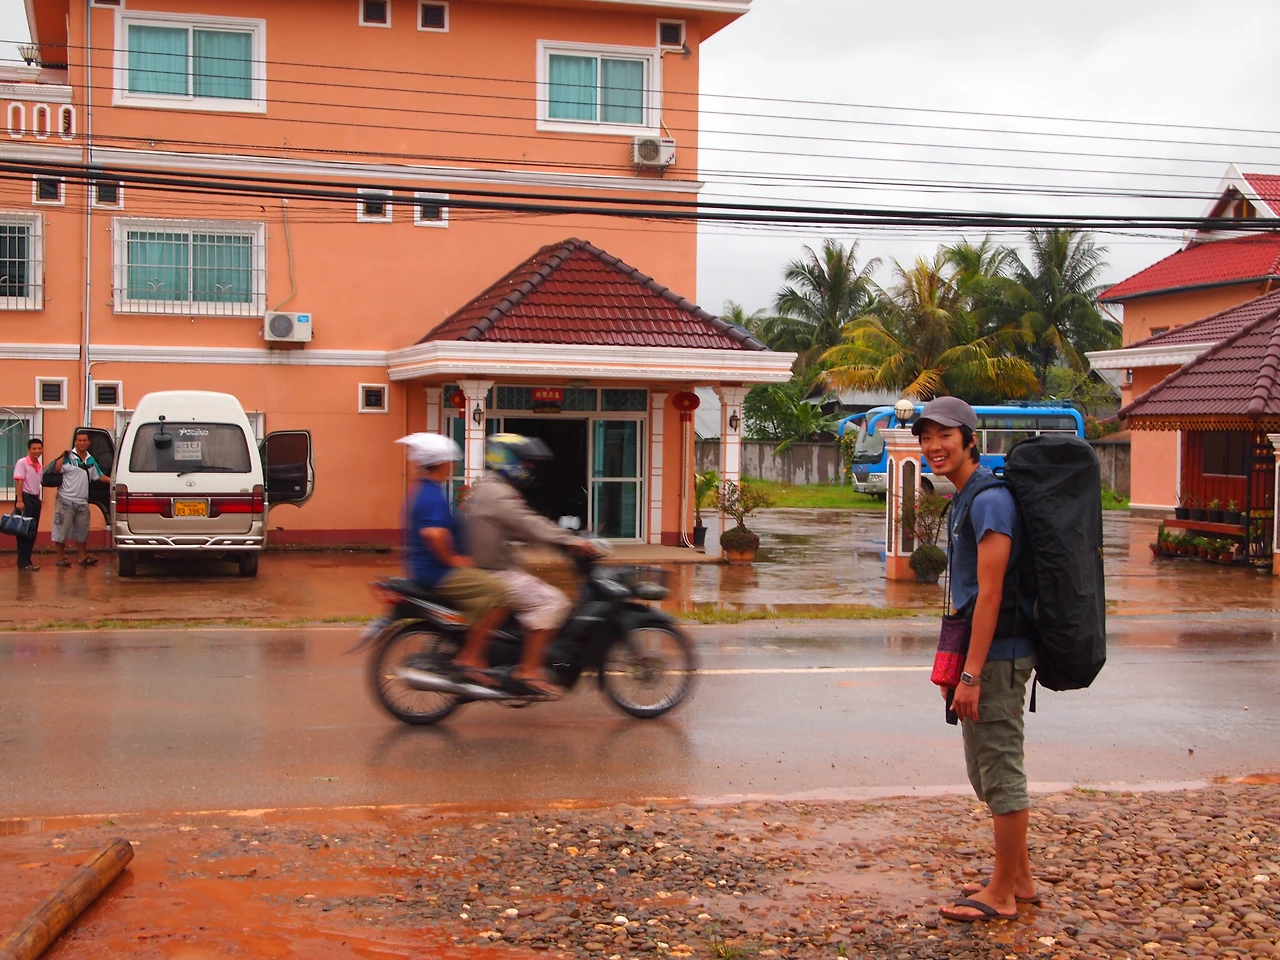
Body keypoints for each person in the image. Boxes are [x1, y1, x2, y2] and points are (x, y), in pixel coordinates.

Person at [913, 396, 1038, 923]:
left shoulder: (989, 502)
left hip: (999, 657)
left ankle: (1002, 895)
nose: (933, 446)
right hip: (982, 653)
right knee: (983, 772)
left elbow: (990, 594)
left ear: (969, 439)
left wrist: (971, 674)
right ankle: (1019, 879)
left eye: (944, 435)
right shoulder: (966, 497)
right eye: (926, 437)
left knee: (1001, 772)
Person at [465, 433, 602, 698]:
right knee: (554, 602)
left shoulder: (485, 487)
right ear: (506, 459)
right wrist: (570, 540)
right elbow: (529, 524)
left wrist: (555, 539)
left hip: (487, 568)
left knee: (533, 585)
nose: (529, 467)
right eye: (524, 462)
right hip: (495, 573)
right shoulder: (498, 494)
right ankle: (528, 671)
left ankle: (516, 654)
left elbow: (516, 526)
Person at [398, 433, 510, 687]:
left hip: (424, 568)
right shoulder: (432, 494)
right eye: (450, 461)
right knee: (499, 593)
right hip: (438, 571)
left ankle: (468, 642)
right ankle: (470, 658)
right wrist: (453, 559)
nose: (452, 466)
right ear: (441, 464)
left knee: (483, 593)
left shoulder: (422, 490)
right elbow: (433, 534)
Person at [51, 431, 110, 568]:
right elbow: (56, 470)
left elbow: (99, 475)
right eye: (79, 440)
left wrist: (115, 481)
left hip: (82, 501)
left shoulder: (90, 460)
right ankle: (60, 557)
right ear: (75, 442)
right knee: (61, 529)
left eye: (84, 440)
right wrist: (62, 455)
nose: (82, 443)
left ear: (89, 443)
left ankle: (82, 556)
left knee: (82, 530)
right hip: (65, 500)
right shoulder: (68, 457)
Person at [13, 437, 43, 571]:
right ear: (29, 450)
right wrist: (20, 500)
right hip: (25, 499)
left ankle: (28, 561)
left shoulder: (39, 465)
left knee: (32, 531)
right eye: (34, 449)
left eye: (39, 448)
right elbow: (19, 482)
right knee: (23, 532)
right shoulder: (22, 462)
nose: (37, 451)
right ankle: (23, 562)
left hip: (35, 500)